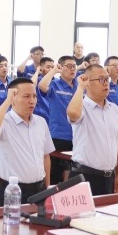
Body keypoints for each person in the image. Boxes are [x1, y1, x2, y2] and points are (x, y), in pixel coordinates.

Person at [0, 79, 54, 205]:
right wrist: (7, 100)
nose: (32, 101)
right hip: (13, 190)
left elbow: (45, 156)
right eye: (26, 96)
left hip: (40, 189)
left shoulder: (41, 122)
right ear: (13, 98)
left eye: (34, 96)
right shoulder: (3, 122)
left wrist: (48, 187)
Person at [67, 64, 118, 195]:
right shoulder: (81, 106)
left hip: (109, 177)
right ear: (88, 82)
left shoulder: (114, 109)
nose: (106, 83)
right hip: (84, 176)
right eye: (101, 79)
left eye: (107, 79)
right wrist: (80, 87)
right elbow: (73, 114)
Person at [39, 55, 80, 184]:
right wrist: (54, 70)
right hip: (59, 135)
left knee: (74, 173)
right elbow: (42, 86)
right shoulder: (55, 84)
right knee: (55, 172)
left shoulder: (80, 86)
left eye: (74, 66)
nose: (72, 69)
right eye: (69, 66)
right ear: (61, 68)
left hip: (77, 136)